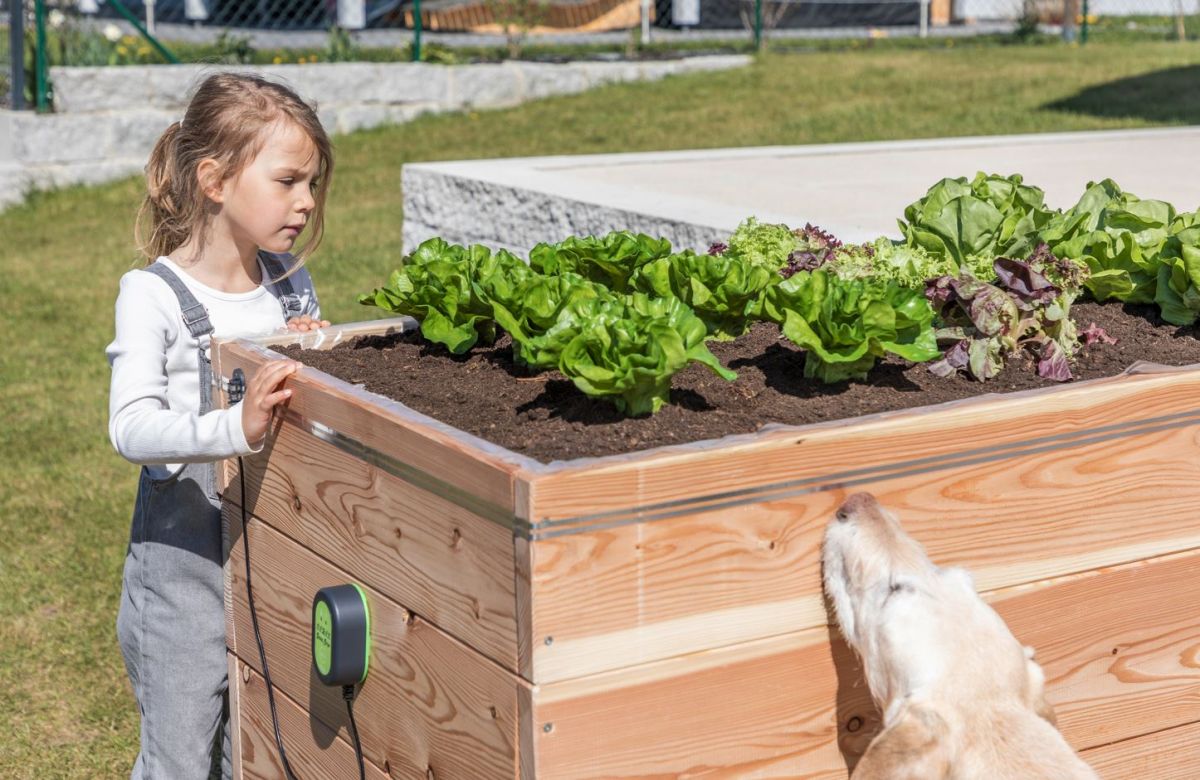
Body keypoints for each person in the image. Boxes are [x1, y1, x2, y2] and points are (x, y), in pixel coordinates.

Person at [105, 72, 333, 779]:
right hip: (185, 566)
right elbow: (131, 428)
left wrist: (316, 351)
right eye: (289, 180)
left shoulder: (289, 284)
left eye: (314, 184)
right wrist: (234, 424)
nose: (306, 202)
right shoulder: (154, 295)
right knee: (179, 758)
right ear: (215, 179)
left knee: (259, 746)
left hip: (272, 548)